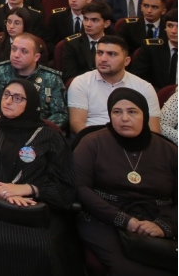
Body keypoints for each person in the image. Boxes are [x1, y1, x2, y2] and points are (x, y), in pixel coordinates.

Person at [0, 80, 78, 276]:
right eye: (6, 94)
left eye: (18, 98)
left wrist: (29, 189)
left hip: (36, 204)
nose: (8, 101)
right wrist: (1, 190)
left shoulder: (49, 136)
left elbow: (66, 185)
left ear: (31, 104)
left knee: (44, 243)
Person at [74, 88, 178, 276]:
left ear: (145, 115)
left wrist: (164, 226)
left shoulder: (169, 151)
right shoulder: (92, 142)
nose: (124, 118)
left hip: (158, 218)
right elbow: (80, 188)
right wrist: (124, 220)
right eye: (117, 112)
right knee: (127, 269)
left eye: (132, 112)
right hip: (104, 219)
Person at [68, 36, 161, 135]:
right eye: (100, 53)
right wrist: (95, 142)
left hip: (132, 140)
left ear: (126, 61)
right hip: (92, 138)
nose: (103, 59)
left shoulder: (144, 87)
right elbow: (76, 123)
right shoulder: (81, 82)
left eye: (112, 54)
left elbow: (154, 130)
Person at [0, 34, 68, 128]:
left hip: (36, 131)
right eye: (14, 49)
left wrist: (40, 130)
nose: (16, 55)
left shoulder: (52, 79)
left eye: (24, 51)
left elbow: (61, 114)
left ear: (36, 57)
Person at [131, 8, 177, 91]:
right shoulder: (151, 48)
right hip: (155, 94)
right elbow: (137, 78)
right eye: (170, 26)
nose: (173, 31)